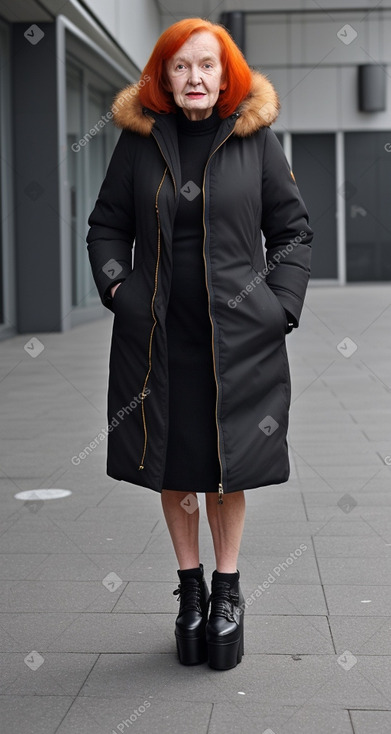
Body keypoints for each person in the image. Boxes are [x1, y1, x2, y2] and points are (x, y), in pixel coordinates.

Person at [86, 17, 313, 671]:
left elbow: (292, 232)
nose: (194, 77)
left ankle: (228, 590)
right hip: (157, 338)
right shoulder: (137, 143)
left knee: (226, 463)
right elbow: (106, 226)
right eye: (181, 66)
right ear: (163, 75)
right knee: (174, 461)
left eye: (206, 66)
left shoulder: (254, 140)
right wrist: (118, 293)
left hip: (238, 338)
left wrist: (281, 307)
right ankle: (188, 588)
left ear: (226, 74)